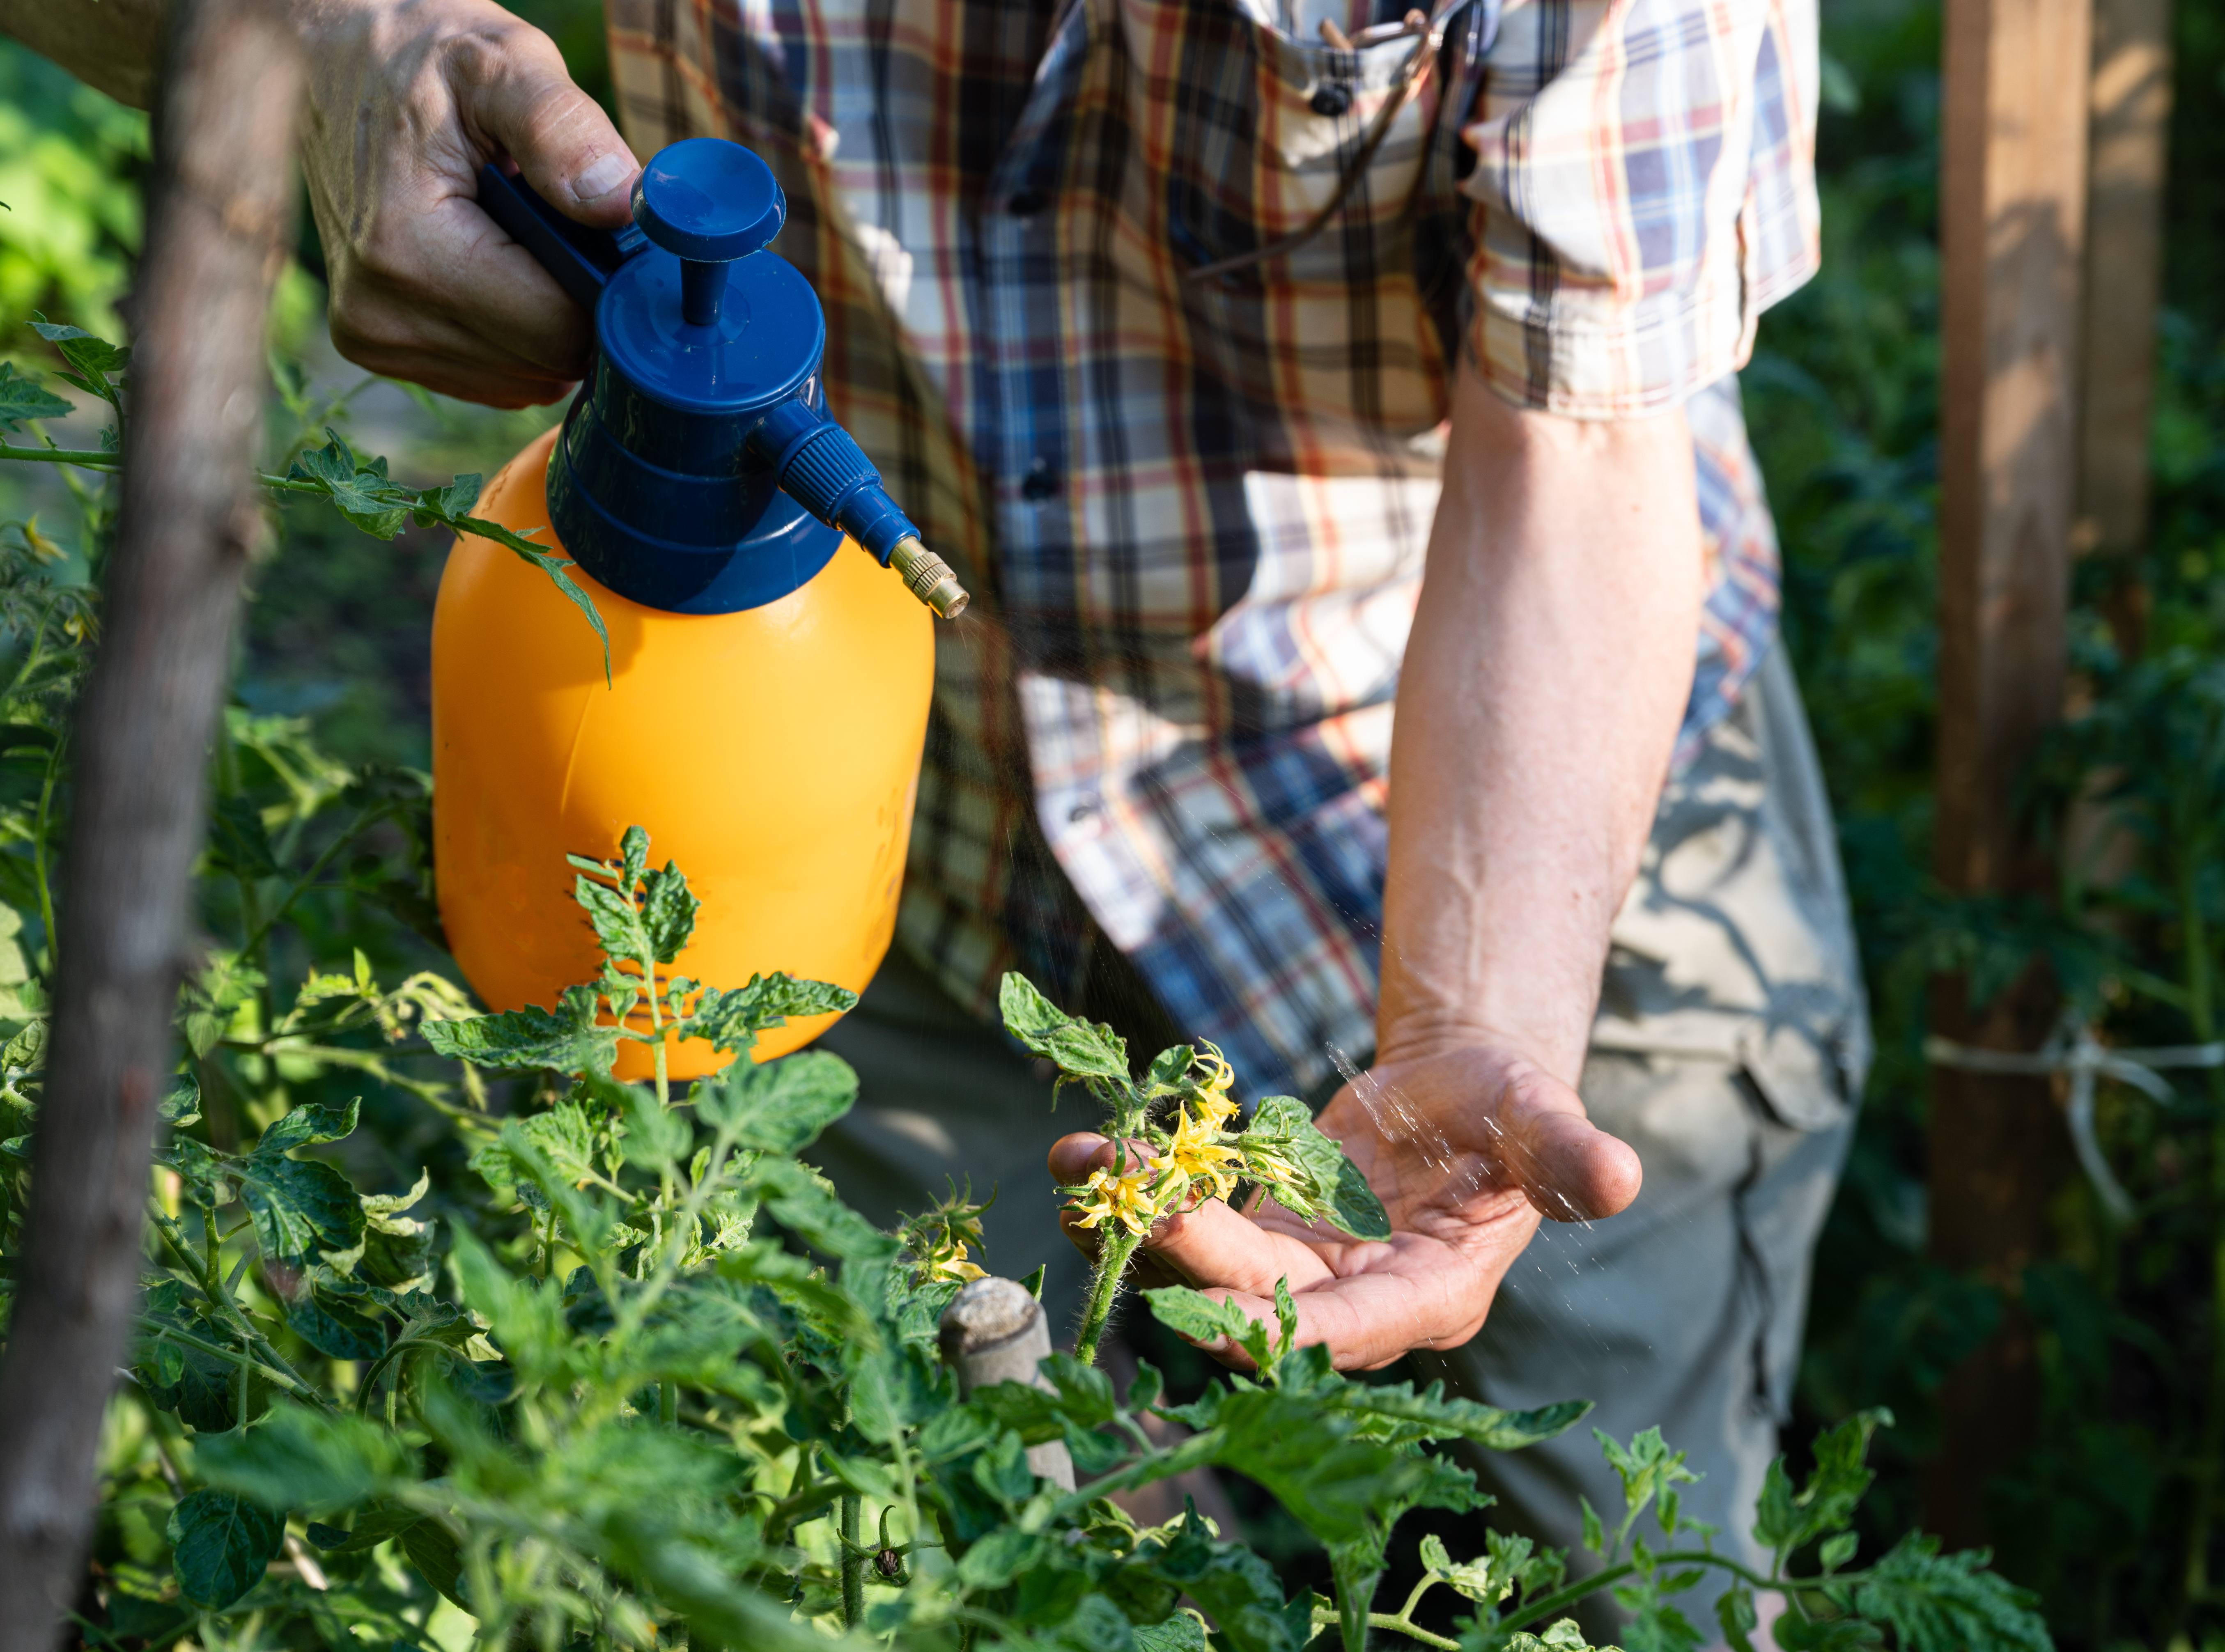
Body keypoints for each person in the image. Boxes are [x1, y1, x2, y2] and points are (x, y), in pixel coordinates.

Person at [2, 0, 1868, 1616]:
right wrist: (330, 52)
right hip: (849, 844)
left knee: (1638, 1568)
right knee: (978, 1556)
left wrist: (1470, 1021)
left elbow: (1578, 445)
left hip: (1467, 801)